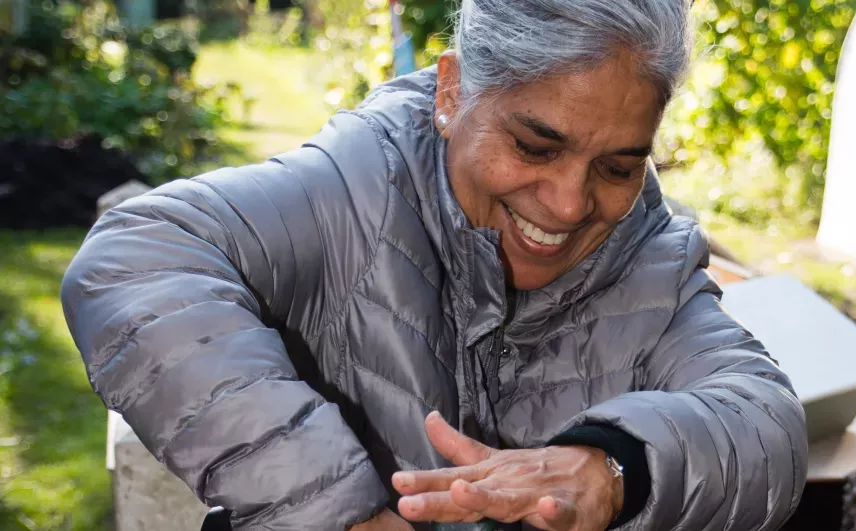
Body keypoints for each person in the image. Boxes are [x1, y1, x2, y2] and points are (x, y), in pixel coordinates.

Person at [61, 1, 808, 530]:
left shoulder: (651, 255)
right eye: (535, 146)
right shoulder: (352, 189)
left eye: (617, 166)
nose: (570, 202)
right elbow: (132, 259)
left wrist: (611, 468)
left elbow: (766, 422)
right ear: (452, 92)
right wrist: (338, 511)